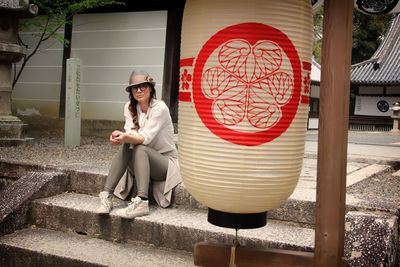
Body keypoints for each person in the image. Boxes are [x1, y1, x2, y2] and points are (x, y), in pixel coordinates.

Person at [96, 70, 181, 219]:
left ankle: (142, 201)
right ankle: (106, 196)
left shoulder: (160, 108)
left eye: (143, 86)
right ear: (131, 91)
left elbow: (144, 138)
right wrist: (118, 137)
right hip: (140, 162)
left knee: (140, 147)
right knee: (128, 145)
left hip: (164, 164)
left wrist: (125, 137)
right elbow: (131, 134)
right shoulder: (129, 107)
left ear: (151, 88)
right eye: (135, 87)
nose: (139, 90)